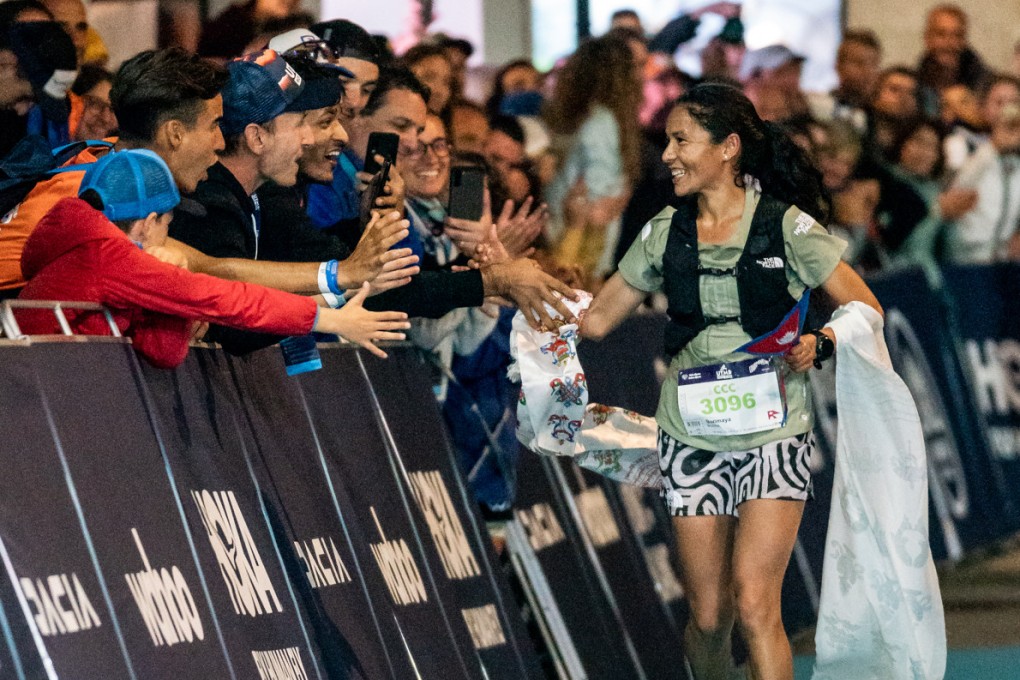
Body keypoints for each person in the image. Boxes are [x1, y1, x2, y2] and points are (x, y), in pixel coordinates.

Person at [580, 83, 882, 680]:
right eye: (666, 140)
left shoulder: (786, 227)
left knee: (753, 603)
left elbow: (865, 307)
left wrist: (820, 342)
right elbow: (595, 320)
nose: (666, 154)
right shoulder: (664, 231)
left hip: (775, 428)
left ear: (729, 148)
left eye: (680, 140)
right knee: (711, 615)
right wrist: (516, 286)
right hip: (690, 435)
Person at [16, 149, 409, 367]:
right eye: (169, 223)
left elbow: (162, 351)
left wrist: (175, 299)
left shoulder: (87, 247)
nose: (170, 237)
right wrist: (331, 318)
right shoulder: (111, 257)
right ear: (149, 222)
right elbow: (227, 298)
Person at [544, 33, 641, 279]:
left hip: (565, 233)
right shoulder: (603, 122)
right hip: (579, 245)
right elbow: (599, 203)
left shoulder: (579, 119)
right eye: (636, 68)